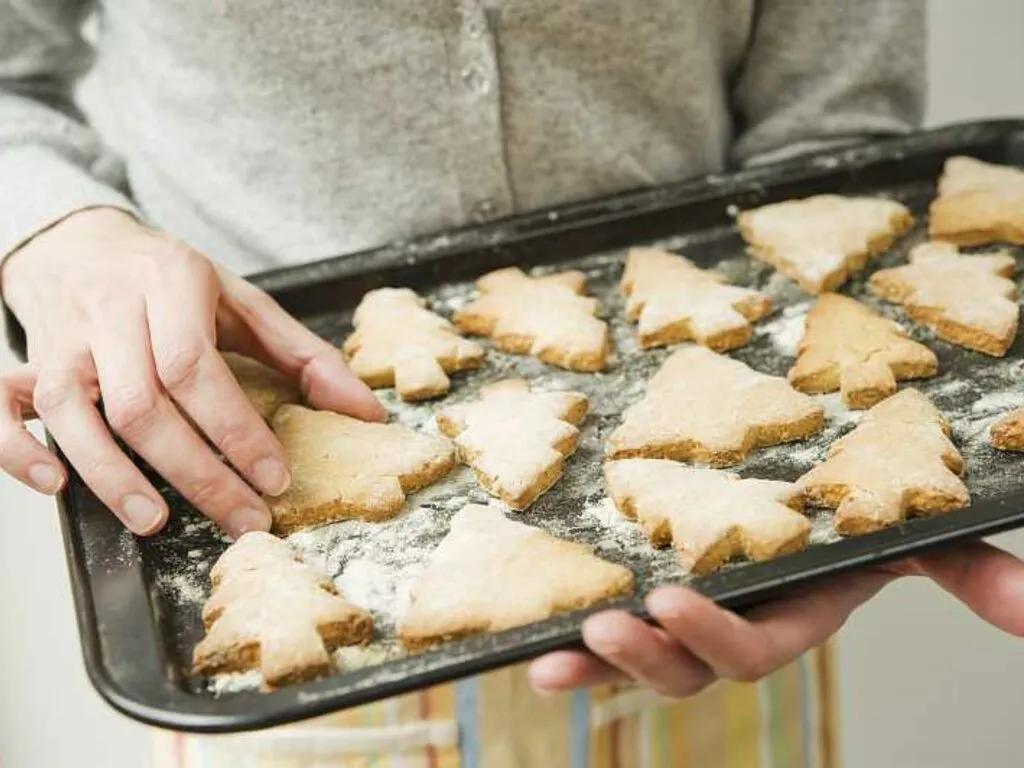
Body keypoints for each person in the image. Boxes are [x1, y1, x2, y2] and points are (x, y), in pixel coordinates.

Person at [2, 2, 1022, 766]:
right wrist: (50, 231)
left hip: (707, 602)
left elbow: (826, 150)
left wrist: (828, 534)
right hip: (259, 534)